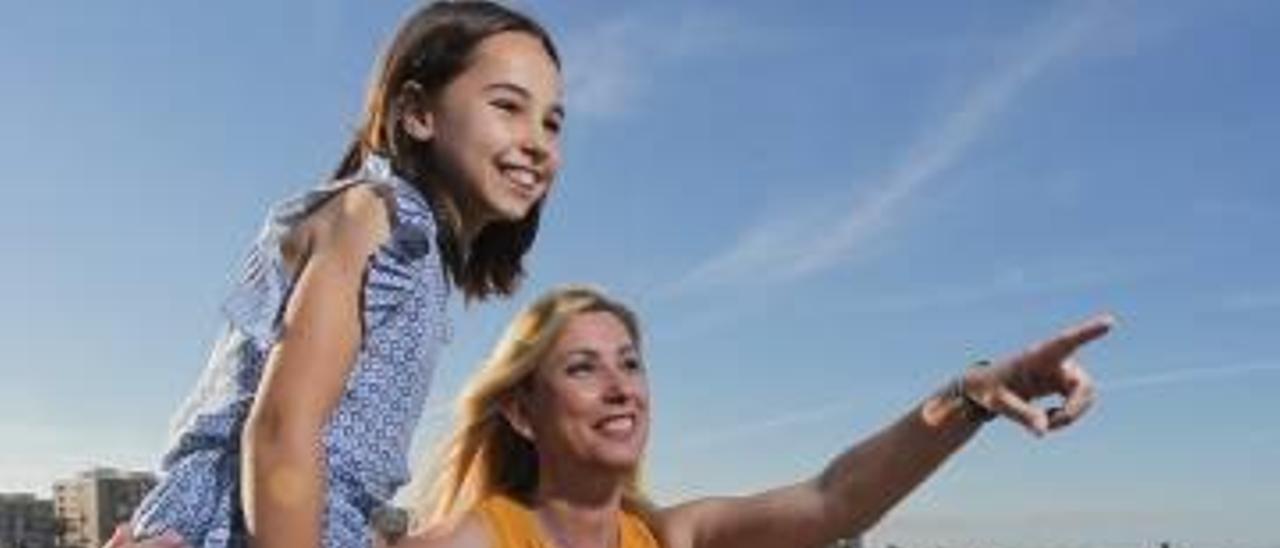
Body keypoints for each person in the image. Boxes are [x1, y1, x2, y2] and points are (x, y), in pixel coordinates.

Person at [119, 2, 566, 546]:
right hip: (242, 523)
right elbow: (283, 431)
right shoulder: (376, 218)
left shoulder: (417, 251)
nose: (538, 141)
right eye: (508, 106)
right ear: (417, 113)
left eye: (552, 121)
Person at [395, 285, 1114, 548]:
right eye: (583, 368)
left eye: (631, 363)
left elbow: (835, 500)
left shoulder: (669, 535)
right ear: (522, 413)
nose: (621, 388)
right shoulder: (475, 542)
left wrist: (976, 394)